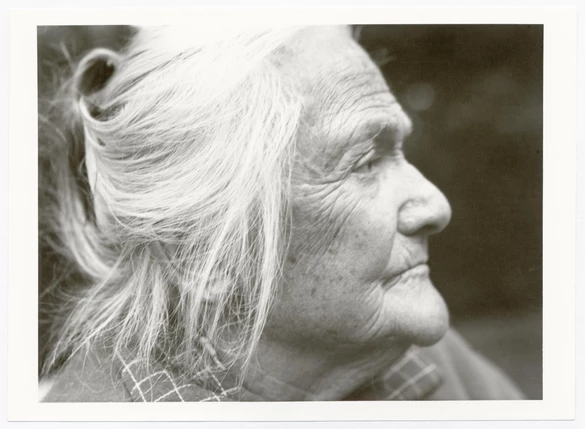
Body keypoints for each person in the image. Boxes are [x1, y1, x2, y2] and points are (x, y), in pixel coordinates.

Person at [39, 25, 524, 402]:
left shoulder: (418, 354)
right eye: (364, 163)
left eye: (398, 152)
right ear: (201, 255)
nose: (435, 206)